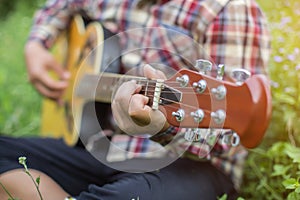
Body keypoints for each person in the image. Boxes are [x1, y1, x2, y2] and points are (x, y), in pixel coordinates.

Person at [0, 0, 270, 199]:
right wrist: (36, 44)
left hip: (187, 165)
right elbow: (58, 6)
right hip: (99, 147)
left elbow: (225, 141)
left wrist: (162, 126)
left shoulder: (227, 8)